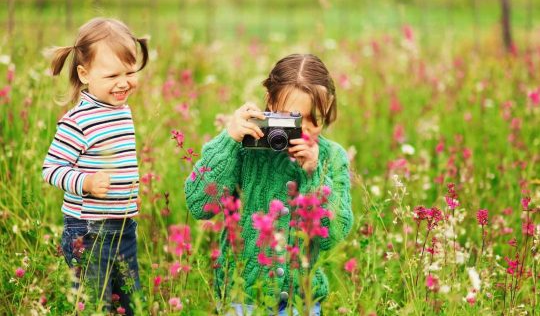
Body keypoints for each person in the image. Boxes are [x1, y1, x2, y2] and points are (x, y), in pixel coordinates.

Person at [185, 54, 353, 315]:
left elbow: (333, 235)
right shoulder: (245, 147)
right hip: (243, 298)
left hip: (302, 302)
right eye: (293, 118)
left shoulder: (331, 157)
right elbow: (199, 205)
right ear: (270, 102)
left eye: (314, 118)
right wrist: (228, 140)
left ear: (328, 108)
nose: (304, 129)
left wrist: (313, 174)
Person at [42, 17, 148, 314]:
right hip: (87, 232)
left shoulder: (121, 110)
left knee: (130, 299)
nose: (124, 82)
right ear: (85, 74)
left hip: (124, 227)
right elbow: (51, 169)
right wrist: (86, 182)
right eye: (113, 75)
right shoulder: (78, 121)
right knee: (94, 302)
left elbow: (121, 162)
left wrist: (127, 194)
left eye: (130, 71)